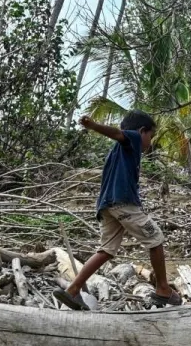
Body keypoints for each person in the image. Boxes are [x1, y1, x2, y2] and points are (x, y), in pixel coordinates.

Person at [57, 110, 178, 310]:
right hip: (123, 203)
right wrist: (94, 126)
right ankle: (163, 289)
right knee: (155, 239)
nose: (150, 141)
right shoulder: (132, 140)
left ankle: (73, 289)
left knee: (106, 250)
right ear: (141, 131)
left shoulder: (117, 152)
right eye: (151, 136)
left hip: (107, 206)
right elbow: (118, 134)